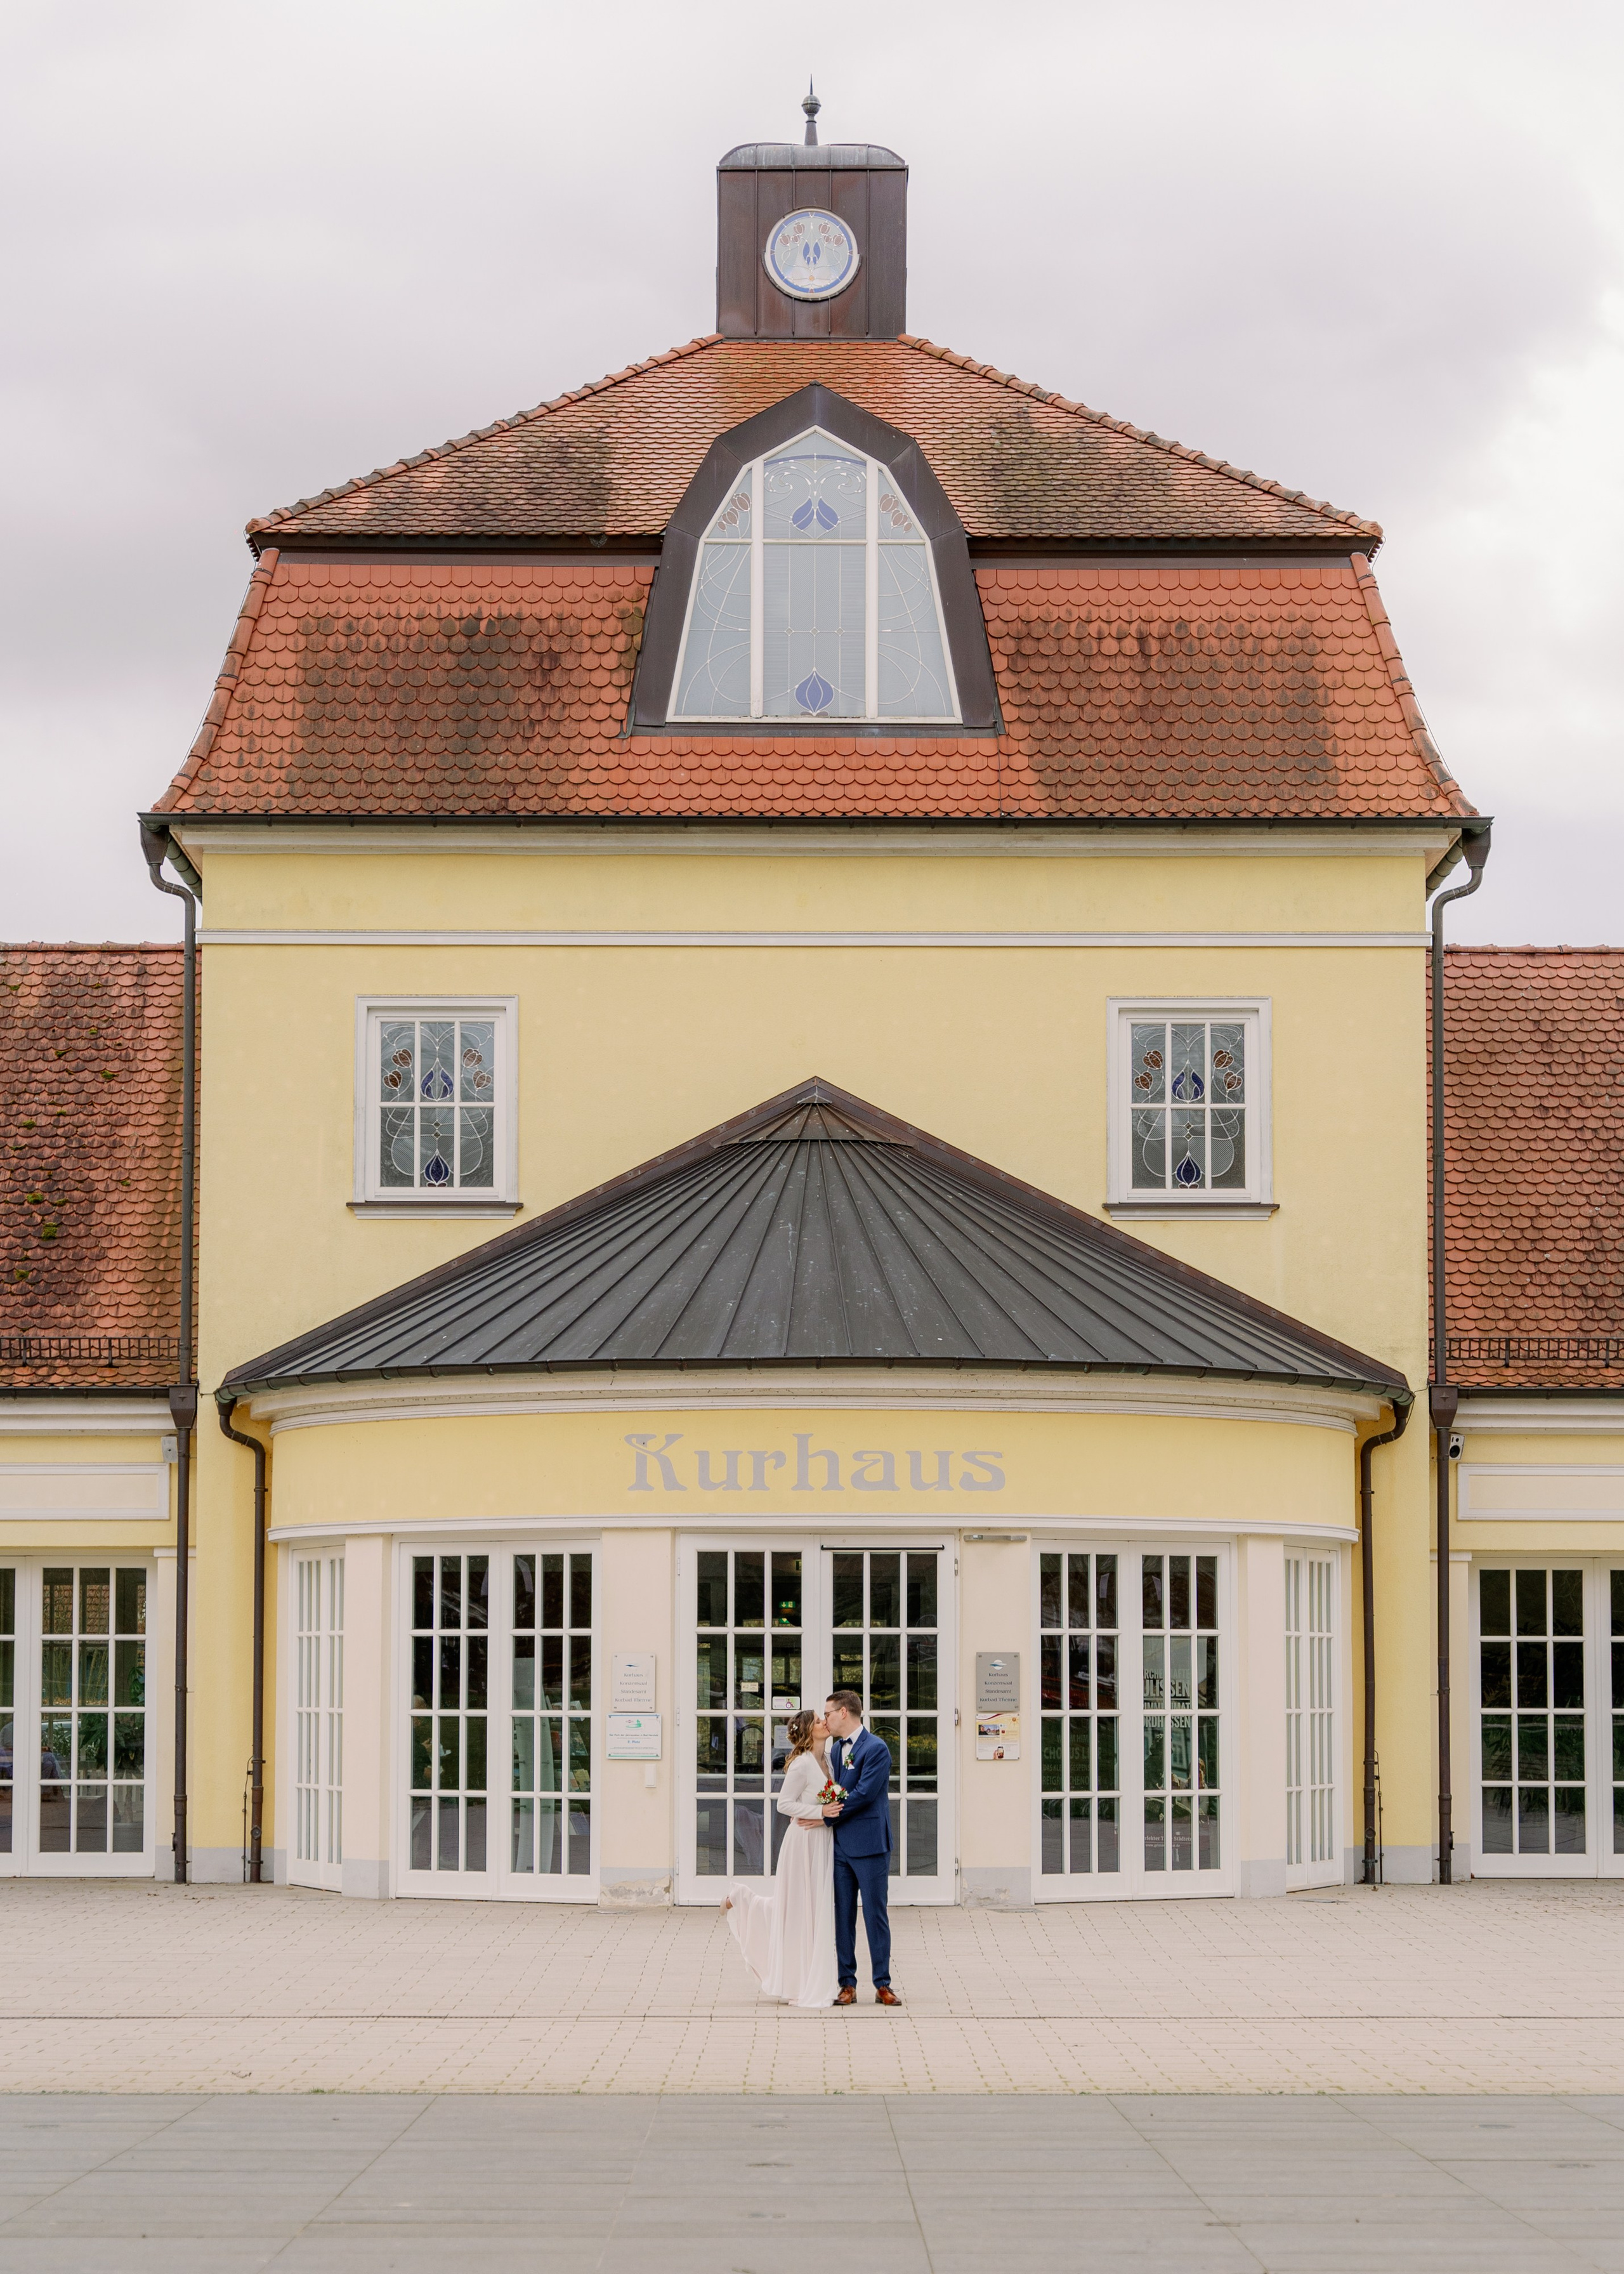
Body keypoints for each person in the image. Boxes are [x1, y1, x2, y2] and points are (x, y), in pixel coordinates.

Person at [720, 1709, 840, 2008]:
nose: (825, 1722)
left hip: (822, 1841)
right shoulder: (801, 1764)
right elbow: (784, 1804)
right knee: (797, 1910)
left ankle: (808, 1975)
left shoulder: (828, 1761)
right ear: (810, 1731)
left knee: (812, 1910)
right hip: (802, 1844)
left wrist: (826, 1818)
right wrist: (819, 1813)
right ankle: (743, 1898)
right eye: (819, 1720)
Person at [824, 1688, 901, 2008]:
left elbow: (866, 1793)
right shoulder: (834, 1749)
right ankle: (847, 1984)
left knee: (874, 1916)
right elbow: (832, 1789)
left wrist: (826, 1816)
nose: (825, 1719)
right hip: (841, 1847)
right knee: (843, 1917)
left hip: (870, 1845)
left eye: (828, 1713)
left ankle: (882, 1983)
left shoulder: (877, 1748)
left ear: (844, 1712)